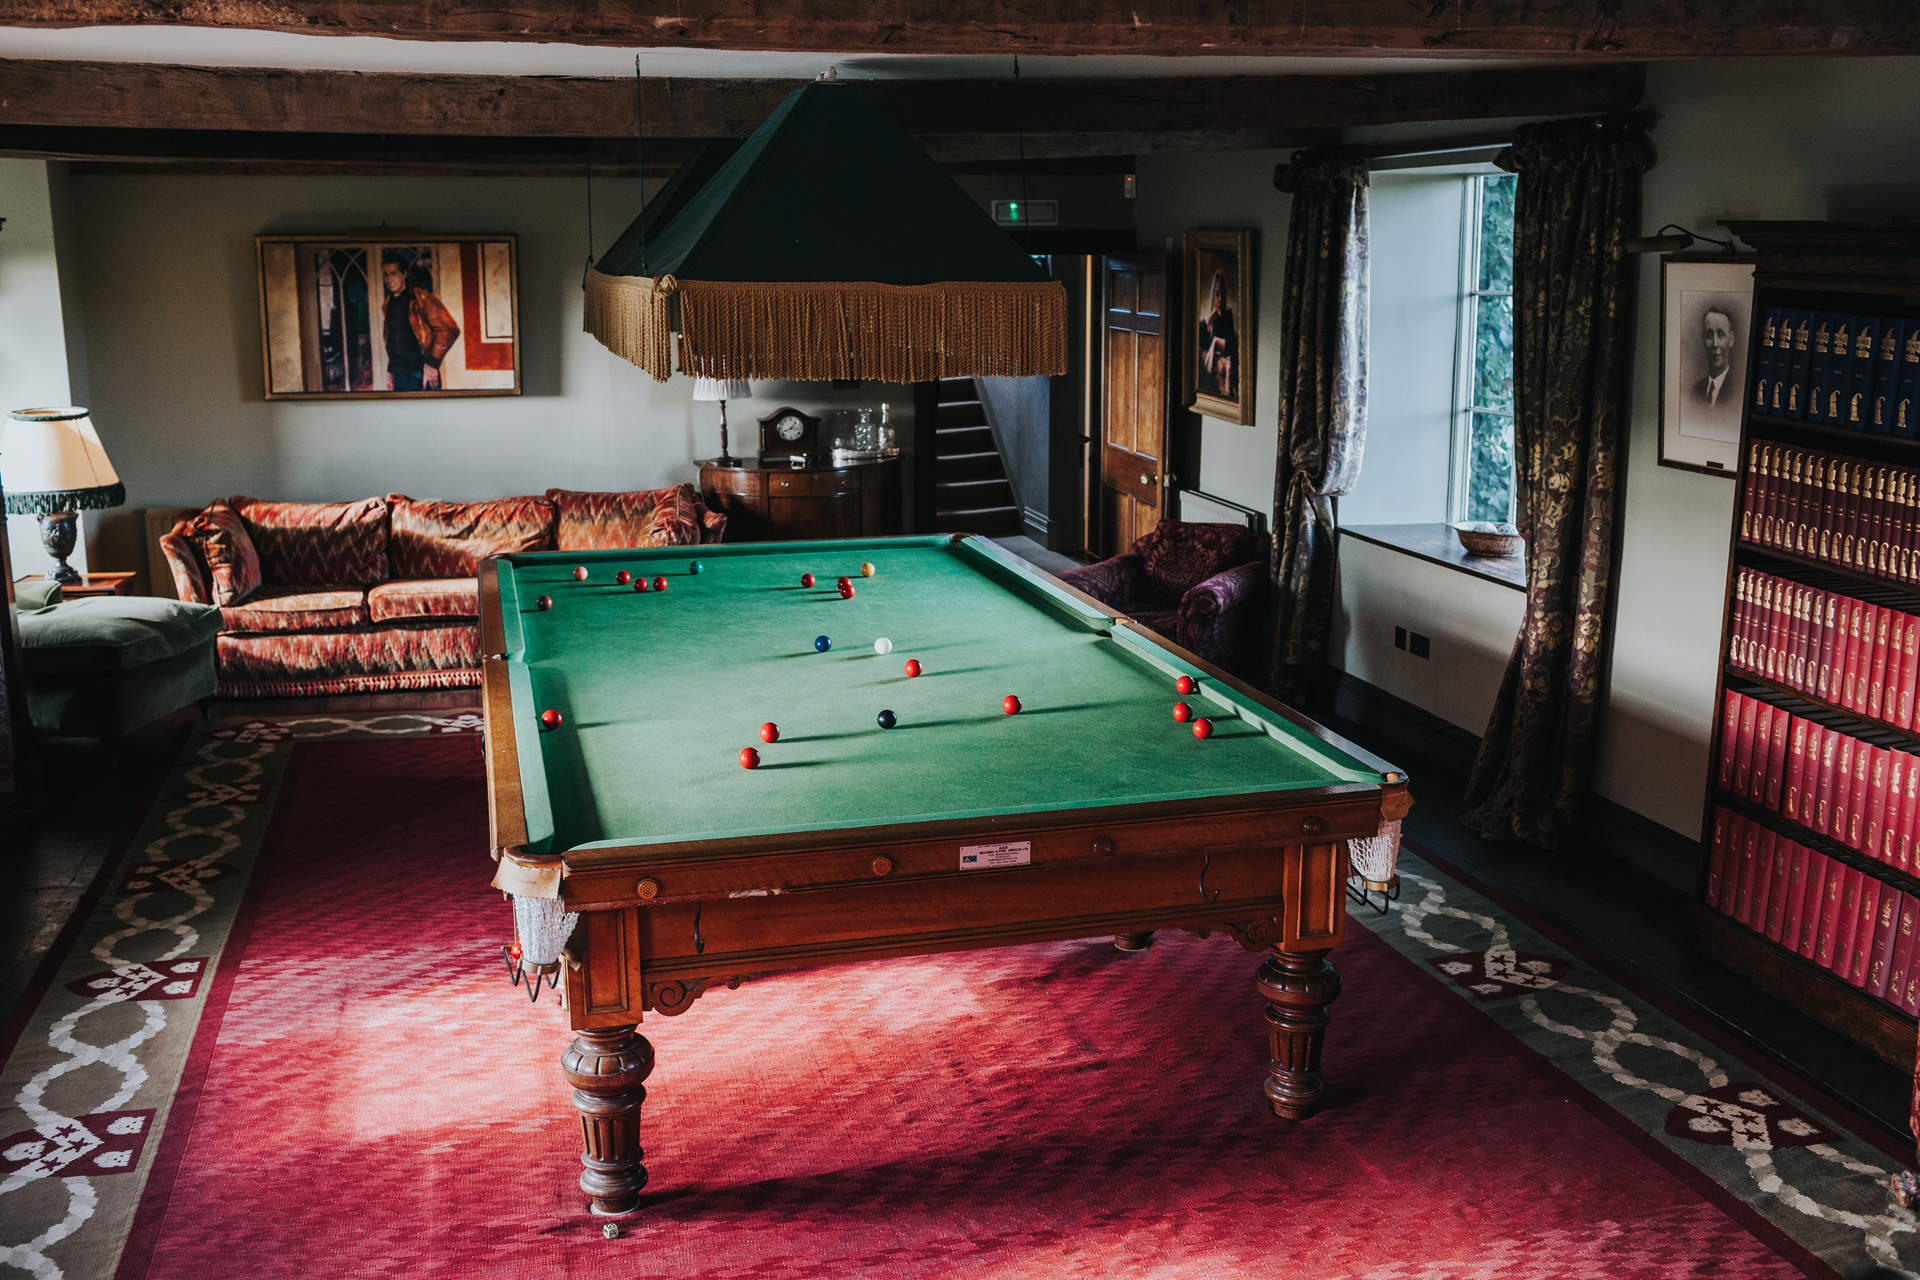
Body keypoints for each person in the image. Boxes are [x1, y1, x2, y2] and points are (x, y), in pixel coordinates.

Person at [380, 249, 460, 391]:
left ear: (404, 274)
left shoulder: (423, 299)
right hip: (399, 372)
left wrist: (432, 364)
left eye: (394, 273)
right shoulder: (388, 303)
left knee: (427, 411)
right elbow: (392, 340)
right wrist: (390, 372)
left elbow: (449, 329)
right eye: (385, 275)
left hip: (421, 371)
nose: (389, 280)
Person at [1198, 269, 1238, 400]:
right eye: (1217, 294)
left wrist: (1216, 342)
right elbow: (1198, 340)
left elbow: (1233, 345)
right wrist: (1210, 318)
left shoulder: (1228, 316)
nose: (1220, 299)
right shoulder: (1213, 320)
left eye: (1222, 294)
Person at [1691, 304, 1739, 412]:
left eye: (1721, 334)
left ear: (1731, 339)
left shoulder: (1739, 390)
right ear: (1703, 339)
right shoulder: (1694, 392)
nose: (1715, 344)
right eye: (1709, 335)